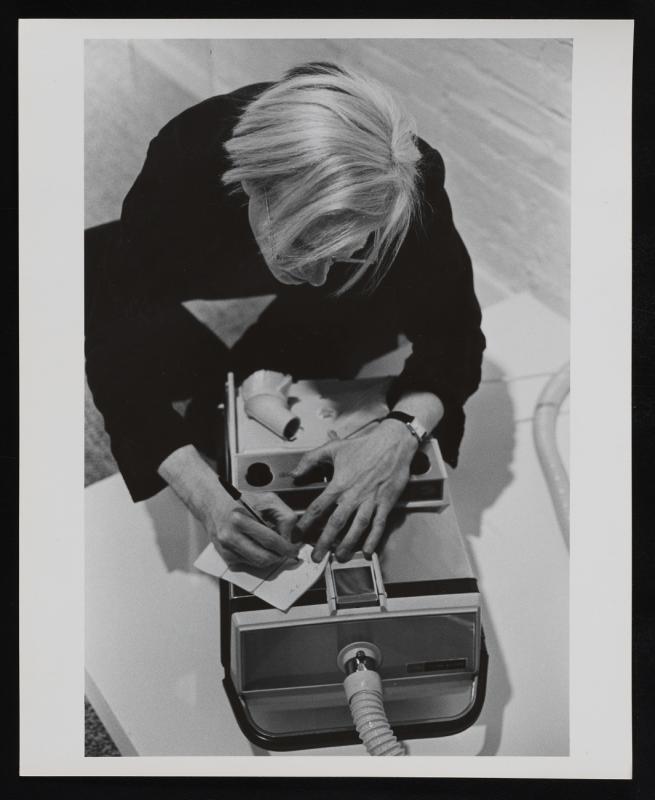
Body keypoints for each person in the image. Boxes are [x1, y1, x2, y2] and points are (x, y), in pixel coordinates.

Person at [85, 62, 486, 570]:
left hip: (310, 269)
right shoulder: (184, 158)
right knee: (118, 314)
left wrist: (400, 432)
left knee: (319, 341)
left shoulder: (409, 183)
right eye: (301, 245)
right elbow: (113, 349)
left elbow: (456, 335)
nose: (319, 278)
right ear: (253, 188)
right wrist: (207, 499)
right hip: (200, 242)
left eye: (345, 252)